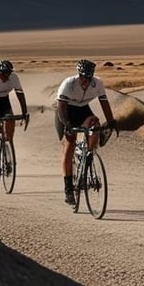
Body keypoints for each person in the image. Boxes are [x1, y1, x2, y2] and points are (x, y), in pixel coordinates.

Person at [55, 59, 116, 205]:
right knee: (69, 146)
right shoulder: (68, 84)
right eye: (82, 77)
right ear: (79, 75)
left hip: (83, 110)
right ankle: (68, 189)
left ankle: (89, 153)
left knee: (94, 122)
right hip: (66, 112)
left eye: (88, 78)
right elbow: (61, 108)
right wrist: (68, 124)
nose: (85, 81)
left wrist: (111, 121)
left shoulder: (97, 83)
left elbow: (104, 103)